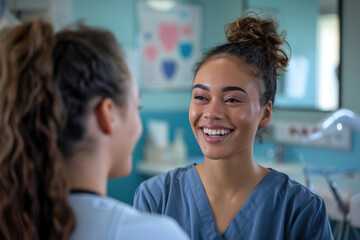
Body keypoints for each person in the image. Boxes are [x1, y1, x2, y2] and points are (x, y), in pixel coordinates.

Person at [133, 14, 334, 240]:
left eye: (232, 100)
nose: (211, 113)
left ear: (265, 113)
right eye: (201, 97)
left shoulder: (300, 210)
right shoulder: (157, 198)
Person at [0, 19, 189, 240]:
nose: (138, 124)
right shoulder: (154, 235)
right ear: (108, 114)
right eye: (138, 107)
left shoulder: (11, 222)